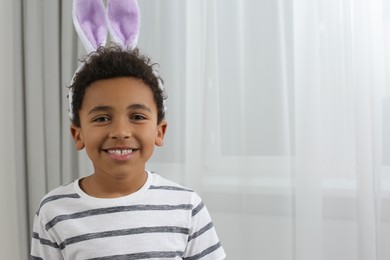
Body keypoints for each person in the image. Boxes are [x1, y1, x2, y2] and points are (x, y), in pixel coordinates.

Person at [30, 45, 226, 259]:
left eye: (137, 116)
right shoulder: (54, 211)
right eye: (102, 118)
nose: (120, 132)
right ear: (78, 136)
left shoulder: (187, 206)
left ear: (159, 132)